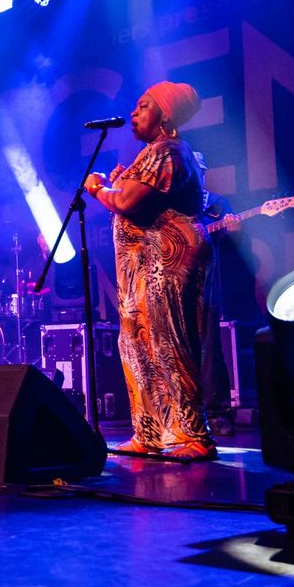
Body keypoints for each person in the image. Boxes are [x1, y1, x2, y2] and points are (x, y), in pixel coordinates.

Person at [84, 82, 216, 460]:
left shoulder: (168, 151)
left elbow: (125, 201)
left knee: (168, 342)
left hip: (168, 261)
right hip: (145, 266)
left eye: (144, 107)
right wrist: (120, 180)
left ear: (166, 116)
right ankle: (151, 432)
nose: (134, 113)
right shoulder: (154, 154)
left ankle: (195, 435)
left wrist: (98, 188)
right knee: (137, 346)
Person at [193, 151, 241, 437]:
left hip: (207, 284)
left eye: (198, 170)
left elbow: (234, 251)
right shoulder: (175, 203)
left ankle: (218, 412)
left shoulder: (216, 205)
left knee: (210, 348)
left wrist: (233, 232)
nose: (194, 175)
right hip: (177, 284)